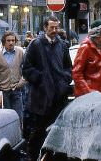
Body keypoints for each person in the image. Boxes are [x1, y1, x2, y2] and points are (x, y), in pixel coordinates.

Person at [22, 16, 72, 161]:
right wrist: (41, 80)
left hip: (58, 97)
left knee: (58, 131)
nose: (55, 30)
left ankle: (54, 156)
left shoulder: (62, 45)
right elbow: (26, 69)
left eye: (57, 27)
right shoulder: (35, 44)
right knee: (38, 133)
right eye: (52, 28)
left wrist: (64, 81)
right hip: (41, 98)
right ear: (45, 28)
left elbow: (68, 67)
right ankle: (34, 157)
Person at [72, 21, 101, 97]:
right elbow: (77, 74)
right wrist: (89, 93)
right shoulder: (85, 48)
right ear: (97, 33)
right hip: (88, 95)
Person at [0, 31, 26, 121]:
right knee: (6, 118)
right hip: (3, 91)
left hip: (17, 89)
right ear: (4, 42)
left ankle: (19, 134)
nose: (11, 43)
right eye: (8, 40)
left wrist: (21, 82)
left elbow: (27, 69)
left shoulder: (20, 52)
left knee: (18, 116)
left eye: (13, 40)